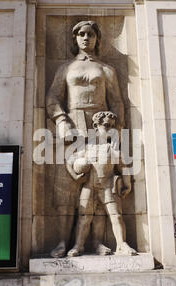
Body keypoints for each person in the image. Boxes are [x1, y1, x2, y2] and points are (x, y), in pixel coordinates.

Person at [46, 21, 127, 258]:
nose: (85, 38)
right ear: (75, 39)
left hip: (101, 127)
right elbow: (52, 97)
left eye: (90, 34)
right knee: (67, 190)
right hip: (73, 129)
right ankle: (62, 241)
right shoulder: (66, 68)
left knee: (100, 187)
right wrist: (61, 121)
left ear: (97, 38)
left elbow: (117, 103)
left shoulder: (106, 69)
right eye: (81, 34)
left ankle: (98, 242)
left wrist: (115, 134)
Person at [65, 111, 137, 256]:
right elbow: (69, 161)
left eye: (111, 126)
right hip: (89, 186)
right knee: (84, 217)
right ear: (96, 127)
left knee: (116, 216)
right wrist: (75, 176)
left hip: (108, 185)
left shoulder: (113, 149)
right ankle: (78, 246)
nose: (109, 129)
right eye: (106, 125)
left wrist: (127, 183)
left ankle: (122, 244)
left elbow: (124, 166)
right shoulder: (86, 148)